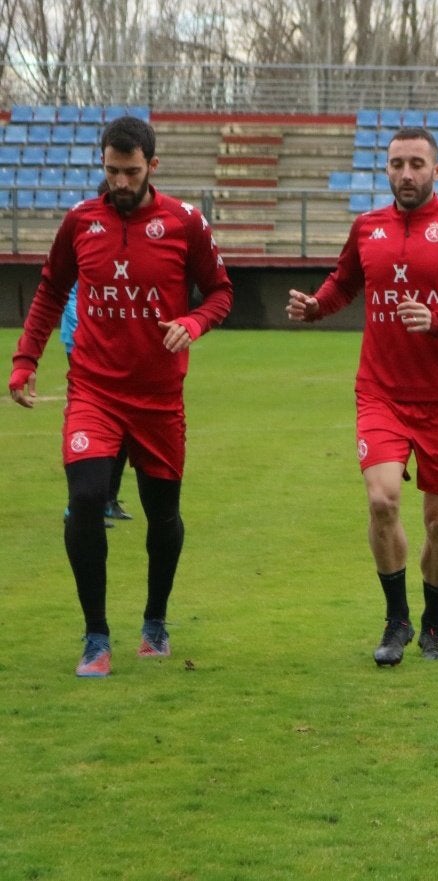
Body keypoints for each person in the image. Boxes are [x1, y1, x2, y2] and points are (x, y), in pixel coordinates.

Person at [9, 116, 235, 677]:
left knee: (163, 516)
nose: (120, 182)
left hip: (159, 398)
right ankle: (95, 636)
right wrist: (24, 360)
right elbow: (50, 291)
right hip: (94, 391)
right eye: (111, 171)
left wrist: (194, 320)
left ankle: (155, 620)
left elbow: (222, 292)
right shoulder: (80, 222)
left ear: (152, 167)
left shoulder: (186, 223)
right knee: (86, 497)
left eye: (131, 172)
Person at [286, 126, 438, 668]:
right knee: (382, 499)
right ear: (385, 170)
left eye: (416, 164)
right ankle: (396, 619)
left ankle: (433, 625)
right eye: (395, 165)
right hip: (380, 391)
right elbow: (344, 283)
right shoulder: (367, 228)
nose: (405, 174)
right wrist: (317, 306)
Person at [61, 274, 132, 527]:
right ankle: (77, 505)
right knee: (87, 426)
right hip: (82, 344)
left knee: (123, 425)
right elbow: (67, 298)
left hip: (111, 345)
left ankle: (107, 500)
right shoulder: (81, 249)